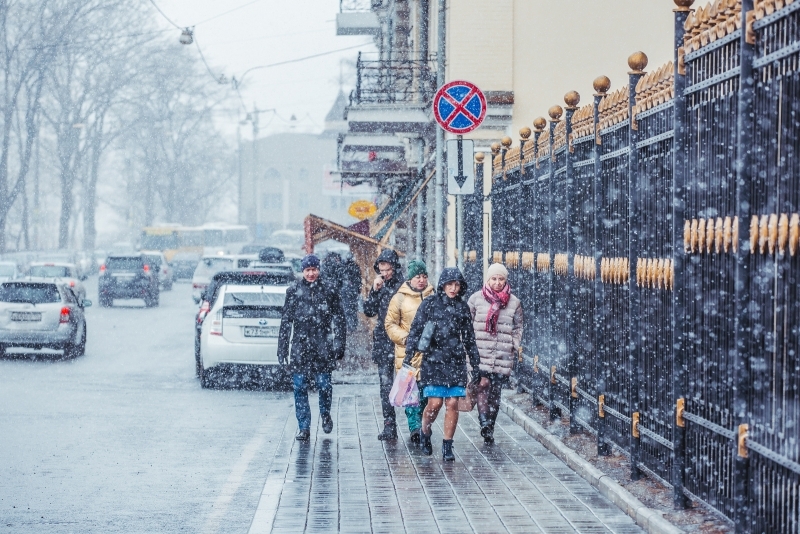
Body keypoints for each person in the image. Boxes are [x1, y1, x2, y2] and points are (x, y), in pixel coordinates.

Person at [404, 267, 480, 461]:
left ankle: (447, 445)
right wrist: (409, 353)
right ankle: (425, 431)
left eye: (456, 285)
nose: (453, 288)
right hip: (434, 360)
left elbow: (469, 338)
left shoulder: (462, 308)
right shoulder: (429, 304)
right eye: (449, 284)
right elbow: (416, 329)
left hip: (455, 361)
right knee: (434, 403)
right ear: (442, 285)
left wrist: (475, 362)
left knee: (453, 403)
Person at [278, 254, 347, 442]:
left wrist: (340, 343)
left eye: (314, 269)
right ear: (302, 271)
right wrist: (282, 348)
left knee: (324, 385)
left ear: (319, 269)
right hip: (300, 347)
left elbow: (339, 319)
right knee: (300, 386)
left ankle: (325, 414)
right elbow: (286, 322)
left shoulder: (329, 290)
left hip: (323, 346)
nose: (311, 273)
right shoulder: (293, 291)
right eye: (307, 270)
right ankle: (304, 427)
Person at [468, 263, 523, 444]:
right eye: (494, 279)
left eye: (501, 279)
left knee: (495, 391)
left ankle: (490, 425)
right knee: (483, 385)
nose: (497, 283)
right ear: (488, 279)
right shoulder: (476, 299)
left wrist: (514, 343)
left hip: (502, 353)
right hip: (481, 352)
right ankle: (484, 422)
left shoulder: (514, 302)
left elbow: (518, 326)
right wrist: (468, 347)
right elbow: (467, 324)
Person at [384, 260, 435, 444]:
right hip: (408, 354)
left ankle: (422, 425)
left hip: (429, 354)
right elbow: (389, 324)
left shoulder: (433, 296)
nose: (421, 280)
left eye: (424, 276)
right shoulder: (399, 298)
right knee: (410, 392)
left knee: (425, 394)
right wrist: (406, 338)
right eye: (417, 276)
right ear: (410, 278)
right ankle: (415, 427)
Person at [363, 248, 403, 440]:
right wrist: (373, 290)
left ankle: (415, 426)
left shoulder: (404, 285)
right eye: (381, 270)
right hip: (383, 340)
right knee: (385, 384)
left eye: (387, 269)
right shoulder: (380, 286)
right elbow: (369, 311)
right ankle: (389, 424)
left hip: (403, 339)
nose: (384, 273)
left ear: (394, 267)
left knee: (409, 382)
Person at [341, 252, 362, 332]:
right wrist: (358, 289)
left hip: (346, 291)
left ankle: (349, 326)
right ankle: (353, 325)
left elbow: (341, 278)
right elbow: (359, 279)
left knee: (347, 309)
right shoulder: (355, 267)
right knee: (353, 309)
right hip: (353, 291)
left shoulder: (344, 267)